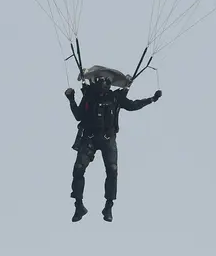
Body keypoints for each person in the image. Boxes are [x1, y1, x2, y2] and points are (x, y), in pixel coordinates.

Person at [65, 75, 162, 222]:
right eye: (101, 81)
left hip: (107, 139)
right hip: (90, 138)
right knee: (78, 169)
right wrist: (72, 99)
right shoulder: (89, 97)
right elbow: (79, 116)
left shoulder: (115, 98)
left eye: (107, 82)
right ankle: (79, 205)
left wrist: (152, 99)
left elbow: (133, 105)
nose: (104, 84)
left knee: (112, 170)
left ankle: (108, 206)